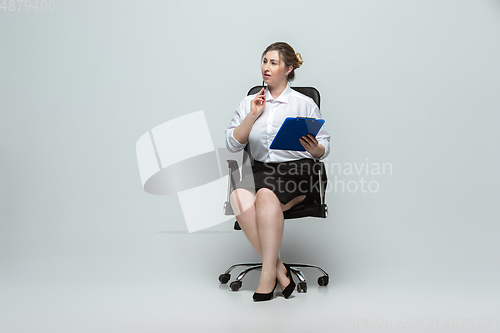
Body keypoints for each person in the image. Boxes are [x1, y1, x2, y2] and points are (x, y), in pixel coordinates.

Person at [225, 42, 330, 301]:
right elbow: (232, 143)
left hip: (296, 172)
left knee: (264, 195)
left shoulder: (303, 103)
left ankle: (267, 278)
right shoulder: (250, 101)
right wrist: (252, 116)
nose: (266, 68)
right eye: (264, 61)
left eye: (273, 63)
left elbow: (324, 149)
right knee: (238, 197)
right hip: (261, 170)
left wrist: (315, 147)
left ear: (288, 68)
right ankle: (280, 270)